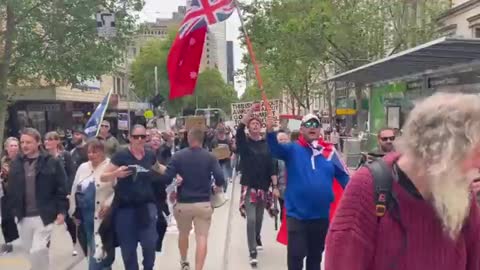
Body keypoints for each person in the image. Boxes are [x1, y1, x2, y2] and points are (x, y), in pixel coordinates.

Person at [325, 93, 480, 270]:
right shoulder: (368, 187)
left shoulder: (459, 194)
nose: (478, 164)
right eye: (475, 153)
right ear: (442, 150)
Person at [266, 113, 349, 270]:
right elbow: (275, 149)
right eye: (308, 125)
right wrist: (270, 131)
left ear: (319, 130)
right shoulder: (292, 149)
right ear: (302, 129)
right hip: (297, 215)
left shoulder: (329, 152)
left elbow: (346, 179)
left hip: (321, 216)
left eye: (316, 125)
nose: (312, 127)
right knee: (296, 256)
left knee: (315, 258)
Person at [160, 128, 225, 270]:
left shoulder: (178, 156)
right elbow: (220, 178)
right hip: (203, 203)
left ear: (189, 139)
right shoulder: (210, 157)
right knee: (202, 237)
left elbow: (166, 177)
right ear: (202, 140)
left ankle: (184, 261)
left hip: (183, 203)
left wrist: (176, 179)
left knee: (183, 234)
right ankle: (199, 268)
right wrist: (216, 187)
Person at [7, 128, 68, 270]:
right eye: (22, 142)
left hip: (45, 216)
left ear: (38, 142)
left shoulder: (51, 162)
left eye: (28, 142)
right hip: (23, 217)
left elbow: (61, 188)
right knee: (31, 254)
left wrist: (62, 211)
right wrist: (13, 212)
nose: (24, 145)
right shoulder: (16, 163)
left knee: (38, 251)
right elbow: (12, 189)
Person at [100, 124, 158, 270]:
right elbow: (103, 176)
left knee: (150, 243)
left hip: (146, 206)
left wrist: (175, 174)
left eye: (142, 136)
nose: (139, 139)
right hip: (125, 209)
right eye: (135, 137)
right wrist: (115, 174)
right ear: (130, 138)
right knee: (128, 249)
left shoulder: (150, 154)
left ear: (146, 138)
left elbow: (159, 168)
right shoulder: (121, 155)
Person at [236, 103, 278, 267]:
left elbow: (272, 166)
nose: (255, 125)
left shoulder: (267, 145)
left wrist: (274, 187)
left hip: (264, 187)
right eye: (252, 123)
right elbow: (239, 130)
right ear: (248, 127)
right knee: (251, 219)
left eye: (257, 123)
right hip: (249, 187)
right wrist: (250, 112)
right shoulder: (244, 143)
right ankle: (252, 251)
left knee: (259, 219)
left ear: (261, 127)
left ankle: (257, 236)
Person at [69, 138, 115, 270]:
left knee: (99, 247)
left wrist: (108, 204)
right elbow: (74, 188)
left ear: (102, 152)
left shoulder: (110, 165)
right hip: (84, 215)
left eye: (95, 152)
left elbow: (117, 190)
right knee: (93, 246)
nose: (91, 155)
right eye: (89, 152)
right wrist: (73, 210)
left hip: (102, 216)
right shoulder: (83, 167)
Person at [44, 131, 78, 255]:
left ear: (57, 141)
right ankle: (51, 243)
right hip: (49, 193)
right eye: (46, 139)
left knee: (67, 218)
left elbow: (71, 173)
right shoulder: (44, 157)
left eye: (51, 139)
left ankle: (72, 243)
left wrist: (68, 190)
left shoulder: (65, 155)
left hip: (63, 191)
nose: (47, 142)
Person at [0, 137, 20, 255]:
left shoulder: (23, 159)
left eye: (15, 145)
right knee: (6, 218)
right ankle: (9, 242)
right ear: (6, 148)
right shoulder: (4, 161)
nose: (13, 148)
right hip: (7, 193)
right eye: (11, 146)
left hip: (22, 193)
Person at [210, 126, 233, 192]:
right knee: (217, 175)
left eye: (222, 133)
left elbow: (231, 150)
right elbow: (211, 150)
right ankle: (219, 188)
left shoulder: (227, 140)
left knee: (225, 177)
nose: (221, 135)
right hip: (217, 162)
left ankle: (224, 189)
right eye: (220, 133)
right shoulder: (214, 141)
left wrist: (229, 155)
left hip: (226, 161)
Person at [275, 131, 289, 220]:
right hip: (281, 190)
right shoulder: (274, 156)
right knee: (284, 214)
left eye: (285, 139)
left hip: (295, 190)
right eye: (280, 140)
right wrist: (274, 187)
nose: (283, 141)